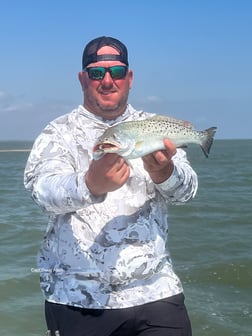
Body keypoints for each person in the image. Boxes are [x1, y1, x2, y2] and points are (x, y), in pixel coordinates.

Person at [24, 36, 198, 336]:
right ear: (82, 79)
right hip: (77, 298)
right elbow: (41, 192)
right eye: (96, 73)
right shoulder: (58, 133)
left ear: (129, 78)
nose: (107, 80)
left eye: (116, 72)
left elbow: (187, 191)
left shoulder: (154, 127)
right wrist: (89, 184)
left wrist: (165, 173)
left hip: (156, 292)